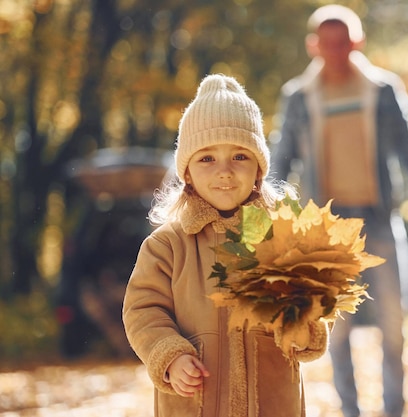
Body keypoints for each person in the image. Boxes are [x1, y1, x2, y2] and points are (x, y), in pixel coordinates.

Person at [270, 5, 408, 417]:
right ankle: (351, 410)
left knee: (394, 323)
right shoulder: (298, 97)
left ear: (357, 42)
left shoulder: (381, 89)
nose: (335, 50)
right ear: (314, 45)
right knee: (338, 329)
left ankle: (393, 410)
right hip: (327, 229)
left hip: (378, 219)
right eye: (326, 43)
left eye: (343, 41)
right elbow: (282, 160)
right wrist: (269, 217)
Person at [122, 74, 330, 417]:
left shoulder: (281, 238)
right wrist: (170, 355)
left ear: (259, 172)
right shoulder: (167, 246)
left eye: (239, 157)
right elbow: (143, 311)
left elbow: (315, 299)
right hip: (195, 402)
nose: (224, 172)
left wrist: (305, 329)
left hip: (272, 401)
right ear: (186, 172)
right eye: (207, 159)